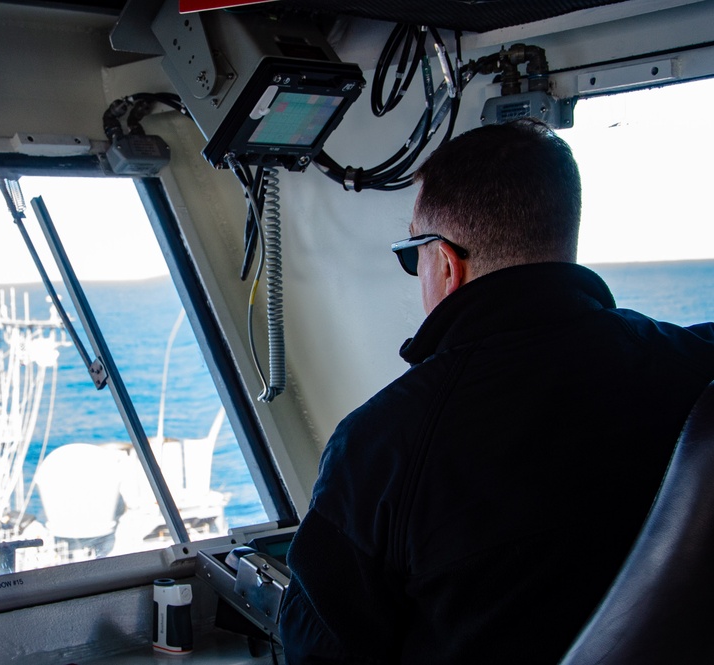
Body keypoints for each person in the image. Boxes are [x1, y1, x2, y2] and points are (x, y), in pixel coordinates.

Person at [278, 119, 714, 664]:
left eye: (412, 256)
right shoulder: (699, 369)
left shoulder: (382, 444)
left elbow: (318, 654)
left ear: (444, 262)